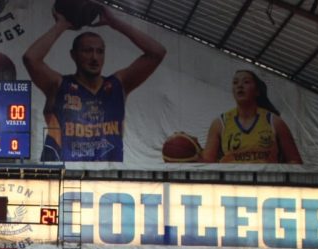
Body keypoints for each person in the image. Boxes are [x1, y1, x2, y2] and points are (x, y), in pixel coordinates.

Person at [23, 5, 166, 161]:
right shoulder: (58, 85)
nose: (94, 57)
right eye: (87, 51)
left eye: (99, 51)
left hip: (106, 178)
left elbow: (157, 52)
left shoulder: (118, 84)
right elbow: (31, 58)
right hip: (61, 176)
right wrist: (61, 25)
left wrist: (115, 23)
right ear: (73, 55)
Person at [201, 70, 302, 164]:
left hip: (265, 181)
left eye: (246, 82)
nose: (239, 86)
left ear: (257, 91)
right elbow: (207, 162)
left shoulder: (274, 122)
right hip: (232, 181)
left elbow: (295, 161)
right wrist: (194, 156)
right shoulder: (219, 123)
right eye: (235, 83)